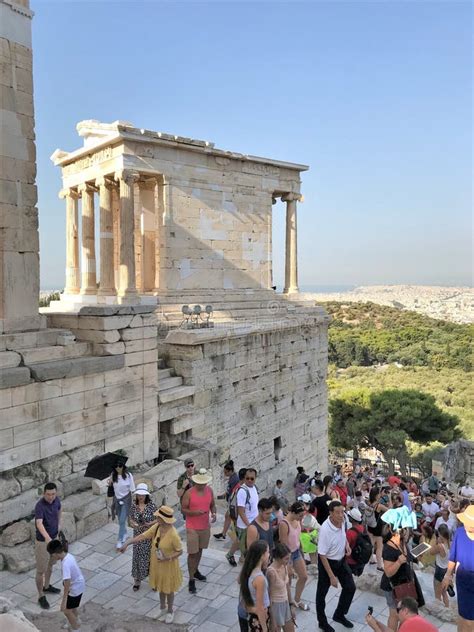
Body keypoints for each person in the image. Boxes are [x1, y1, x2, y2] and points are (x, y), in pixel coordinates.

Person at [120, 505, 182, 623]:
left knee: (168, 589)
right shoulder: (157, 527)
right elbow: (142, 536)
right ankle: (162, 608)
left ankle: (170, 611)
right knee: (160, 587)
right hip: (157, 564)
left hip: (168, 565)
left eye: (158, 516)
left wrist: (167, 558)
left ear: (163, 519)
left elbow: (180, 551)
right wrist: (127, 543)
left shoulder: (173, 534)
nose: (156, 518)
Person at [379, 508, 424, 632]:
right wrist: (399, 562)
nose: (409, 531)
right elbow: (388, 572)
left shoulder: (401, 541)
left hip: (403, 585)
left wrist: (415, 557)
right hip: (393, 587)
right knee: (395, 615)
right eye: (406, 528)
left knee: (402, 616)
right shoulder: (389, 548)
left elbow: (406, 556)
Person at [316, 500, 356, 632]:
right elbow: (322, 554)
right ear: (331, 513)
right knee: (321, 594)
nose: (341, 515)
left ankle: (339, 614)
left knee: (350, 587)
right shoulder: (325, 530)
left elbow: (343, 534)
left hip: (341, 560)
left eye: (342, 512)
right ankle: (322, 622)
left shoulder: (343, 520)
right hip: (328, 562)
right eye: (337, 513)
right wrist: (331, 576)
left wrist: (347, 545)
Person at [181, 467, 216, 594]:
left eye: (203, 483)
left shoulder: (210, 491)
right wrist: (194, 512)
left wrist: (214, 513)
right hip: (192, 527)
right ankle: (191, 579)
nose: (202, 485)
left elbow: (212, 504)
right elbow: (183, 509)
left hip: (204, 526)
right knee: (192, 553)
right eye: (199, 483)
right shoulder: (189, 493)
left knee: (200, 550)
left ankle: (195, 571)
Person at [442, 505, 474, 631]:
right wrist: (447, 575)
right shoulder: (460, 533)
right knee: (465, 617)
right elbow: (452, 557)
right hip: (464, 581)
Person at [47, 539, 85, 632]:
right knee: (73, 607)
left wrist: (64, 600)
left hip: (75, 588)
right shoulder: (69, 556)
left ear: (56, 553)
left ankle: (76, 629)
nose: (52, 557)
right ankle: (76, 621)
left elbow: (67, 583)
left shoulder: (65, 564)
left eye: (52, 555)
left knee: (67, 611)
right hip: (80, 584)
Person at [35, 482, 62, 609]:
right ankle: (41, 595)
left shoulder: (57, 501)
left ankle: (47, 586)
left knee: (51, 564)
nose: (51, 497)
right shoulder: (39, 506)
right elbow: (39, 523)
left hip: (54, 537)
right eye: (48, 494)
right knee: (41, 570)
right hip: (42, 542)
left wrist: (59, 527)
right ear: (44, 493)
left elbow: (59, 511)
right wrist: (47, 539)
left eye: (53, 494)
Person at [279, 501, 308, 611]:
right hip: (287, 554)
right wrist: (288, 564)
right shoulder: (284, 524)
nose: (301, 518)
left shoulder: (297, 520)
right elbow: (283, 544)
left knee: (304, 576)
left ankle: (297, 599)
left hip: (296, 551)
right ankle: (288, 602)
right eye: (300, 516)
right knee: (288, 579)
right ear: (294, 513)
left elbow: (298, 538)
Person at [128, 482, 157, 591]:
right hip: (138, 536)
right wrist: (132, 524)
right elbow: (130, 518)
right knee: (137, 557)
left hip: (149, 537)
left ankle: (153, 580)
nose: (140, 497)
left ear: (146, 495)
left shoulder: (152, 506)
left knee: (151, 558)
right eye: (139, 495)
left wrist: (149, 524)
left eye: (142, 495)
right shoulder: (134, 506)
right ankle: (137, 580)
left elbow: (158, 519)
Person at [228, 468, 259, 566]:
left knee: (239, 541)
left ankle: (230, 555)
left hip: (253, 521)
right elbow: (241, 511)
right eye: (247, 478)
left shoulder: (254, 488)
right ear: (244, 478)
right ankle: (245, 567)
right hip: (245, 524)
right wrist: (249, 525)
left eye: (252, 478)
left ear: (255, 478)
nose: (249, 480)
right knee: (244, 548)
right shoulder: (242, 491)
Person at [239, 540, 271, 632]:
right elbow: (260, 607)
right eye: (268, 552)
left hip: (254, 616)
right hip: (259, 618)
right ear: (262, 555)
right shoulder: (259, 579)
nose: (269, 554)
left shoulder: (248, 570)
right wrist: (265, 629)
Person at [267, 543, 296, 632]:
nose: (288, 560)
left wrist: (291, 602)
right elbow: (269, 596)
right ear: (279, 558)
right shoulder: (271, 572)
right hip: (275, 605)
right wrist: (273, 619)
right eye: (286, 558)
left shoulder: (284, 566)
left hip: (285, 602)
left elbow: (287, 586)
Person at [366, 596, 438, 631]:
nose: (397, 614)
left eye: (398, 610)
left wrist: (374, 627)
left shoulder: (410, 623)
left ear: (405, 611)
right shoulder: (416, 620)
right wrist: (377, 623)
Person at [108, 458, 135, 549]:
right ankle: (124, 533)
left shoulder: (128, 475)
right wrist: (110, 482)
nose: (118, 468)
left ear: (123, 466)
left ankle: (120, 540)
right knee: (120, 520)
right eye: (116, 466)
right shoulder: (113, 475)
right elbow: (112, 487)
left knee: (123, 520)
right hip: (117, 500)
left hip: (126, 500)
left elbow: (132, 489)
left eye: (120, 465)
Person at [423, 524, 451, 607]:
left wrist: (436, 541)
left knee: (437, 594)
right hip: (446, 569)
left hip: (439, 570)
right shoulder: (450, 544)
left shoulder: (440, 546)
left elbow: (431, 552)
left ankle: (438, 610)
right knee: (444, 592)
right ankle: (447, 607)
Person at [214, 460, 239, 540]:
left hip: (234, 503)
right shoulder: (232, 477)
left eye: (225, 472)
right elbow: (228, 492)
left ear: (230, 471)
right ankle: (223, 534)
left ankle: (237, 537)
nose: (224, 474)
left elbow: (234, 492)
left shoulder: (234, 479)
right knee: (228, 517)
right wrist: (218, 498)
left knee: (233, 519)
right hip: (231, 502)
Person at [366, 487, 388, 570]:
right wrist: (388, 496)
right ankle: (379, 565)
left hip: (370, 526)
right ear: (376, 496)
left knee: (371, 544)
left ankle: (371, 559)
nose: (380, 495)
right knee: (379, 547)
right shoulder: (379, 506)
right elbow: (390, 510)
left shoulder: (369, 503)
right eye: (379, 494)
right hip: (377, 528)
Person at [345, 507, 371, 577]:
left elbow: (345, 548)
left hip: (351, 561)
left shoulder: (349, 533)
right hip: (361, 560)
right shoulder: (363, 528)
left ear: (352, 519)